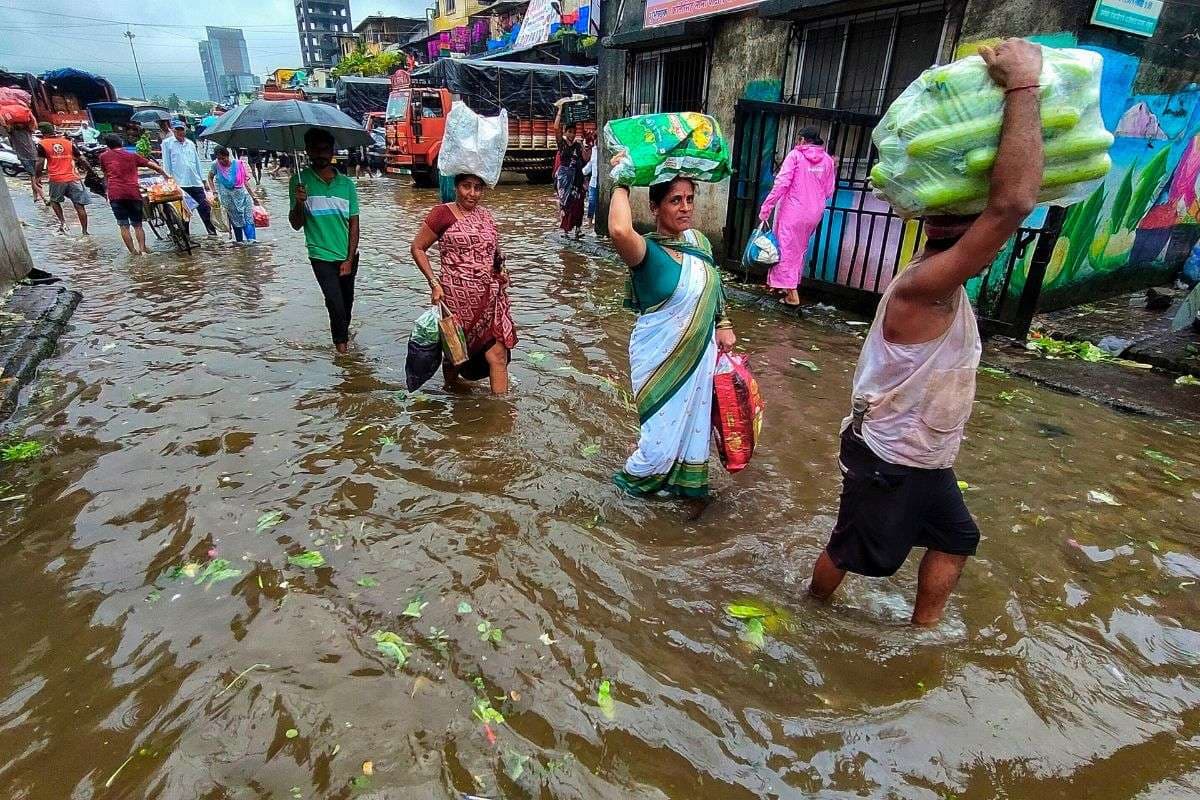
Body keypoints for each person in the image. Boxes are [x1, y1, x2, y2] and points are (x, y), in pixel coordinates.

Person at [807, 38, 1045, 626]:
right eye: (982, 230)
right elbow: (1012, 201)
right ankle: (811, 614)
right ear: (964, 228)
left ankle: (923, 632)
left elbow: (1002, 210)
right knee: (851, 548)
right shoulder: (926, 287)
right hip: (889, 457)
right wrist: (1023, 85)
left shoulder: (943, 285)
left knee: (958, 536)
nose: (996, 243)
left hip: (926, 456)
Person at [607, 176, 737, 504]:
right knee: (658, 446)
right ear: (654, 207)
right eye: (675, 200)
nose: (686, 207)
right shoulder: (646, 252)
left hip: (700, 355)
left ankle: (684, 488)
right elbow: (620, 230)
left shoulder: (698, 242)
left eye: (690, 199)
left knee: (693, 430)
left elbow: (713, 283)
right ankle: (621, 495)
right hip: (659, 358)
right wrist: (621, 181)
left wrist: (723, 322)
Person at [410, 173, 517, 395]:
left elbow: (495, 253)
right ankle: (451, 392)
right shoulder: (442, 215)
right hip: (455, 301)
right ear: (456, 187)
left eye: (478, 188)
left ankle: (502, 413)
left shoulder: (486, 217)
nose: (472, 193)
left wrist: (502, 271)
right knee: (455, 356)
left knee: (497, 355)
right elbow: (418, 248)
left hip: (488, 300)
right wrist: (434, 283)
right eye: (466, 186)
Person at [289, 128, 360, 354]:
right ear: (308, 151)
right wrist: (300, 202)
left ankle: (343, 337)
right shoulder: (299, 182)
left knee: (346, 306)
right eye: (315, 150)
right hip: (320, 255)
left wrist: (349, 259)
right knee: (334, 303)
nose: (320, 155)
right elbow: (296, 224)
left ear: (332, 152)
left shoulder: (347, 185)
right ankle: (343, 353)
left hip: (347, 255)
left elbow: (354, 225)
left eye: (324, 150)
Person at [757, 126, 836, 307]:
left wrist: (767, 207)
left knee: (785, 248)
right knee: (799, 249)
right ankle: (785, 286)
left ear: (801, 140)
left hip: (793, 210)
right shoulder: (827, 161)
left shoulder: (795, 156)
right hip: (814, 212)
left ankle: (792, 294)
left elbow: (782, 183)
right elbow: (829, 190)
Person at [98, 132, 168, 255]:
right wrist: (166, 175)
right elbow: (153, 166)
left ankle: (133, 252)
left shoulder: (103, 157)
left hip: (115, 194)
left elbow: (105, 175)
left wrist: (106, 191)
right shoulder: (132, 156)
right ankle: (142, 249)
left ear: (108, 145)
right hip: (132, 193)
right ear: (121, 142)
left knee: (123, 226)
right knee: (138, 225)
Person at [161, 119, 217, 236]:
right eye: (177, 130)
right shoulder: (167, 144)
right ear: (173, 130)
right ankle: (185, 235)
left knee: (205, 209)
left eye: (182, 130)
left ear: (185, 130)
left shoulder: (190, 144)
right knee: (184, 213)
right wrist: (169, 181)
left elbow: (197, 163)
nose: (180, 132)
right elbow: (167, 164)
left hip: (195, 182)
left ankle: (212, 233)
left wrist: (203, 181)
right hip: (180, 183)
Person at [35, 122, 90, 235]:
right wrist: (90, 171)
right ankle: (85, 232)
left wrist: (37, 176)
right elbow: (82, 159)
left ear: (42, 133)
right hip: (74, 178)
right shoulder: (68, 142)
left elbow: (40, 162)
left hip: (57, 179)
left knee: (55, 201)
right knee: (79, 205)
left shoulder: (42, 144)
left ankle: (63, 223)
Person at [208, 146, 261, 244]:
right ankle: (240, 243)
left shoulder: (238, 164)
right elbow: (210, 178)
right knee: (236, 221)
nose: (222, 161)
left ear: (228, 156)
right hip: (228, 200)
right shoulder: (215, 165)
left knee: (248, 219)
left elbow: (245, 182)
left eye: (223, 158)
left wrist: (254, 197)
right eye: (219, 159)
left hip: (243, 197)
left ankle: (252, 242)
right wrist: (214, 193)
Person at [553, 104, 589, 239]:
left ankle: (578, 229)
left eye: (574, 132)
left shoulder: (578, 145)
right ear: (565, 132)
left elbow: (586, 159)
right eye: (570, 132)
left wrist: (588, 144)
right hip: (565, 178)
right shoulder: (561, 145)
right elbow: (555, 128)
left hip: (577, 178)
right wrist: (560, 110)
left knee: (578, 204)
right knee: (566, 203)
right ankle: (566, 230)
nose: (572, 134)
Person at [6, 121, 43, 200]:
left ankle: (37, 196)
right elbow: (34, 124)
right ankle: (42, 197)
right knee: (34, 177)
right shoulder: (26, 130)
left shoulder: (13, 132)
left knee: (33, 177)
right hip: (32, 156)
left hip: (27, 157)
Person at [582, 133, 599, 229]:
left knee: (598, 203)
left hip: (601, 182)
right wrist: (582, 172)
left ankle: (596, 221)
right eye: (595, 139)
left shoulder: (603, 151)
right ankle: (589, 222)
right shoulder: (594, 150)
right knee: (592, 201)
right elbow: (590, 164)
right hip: (593, 181)